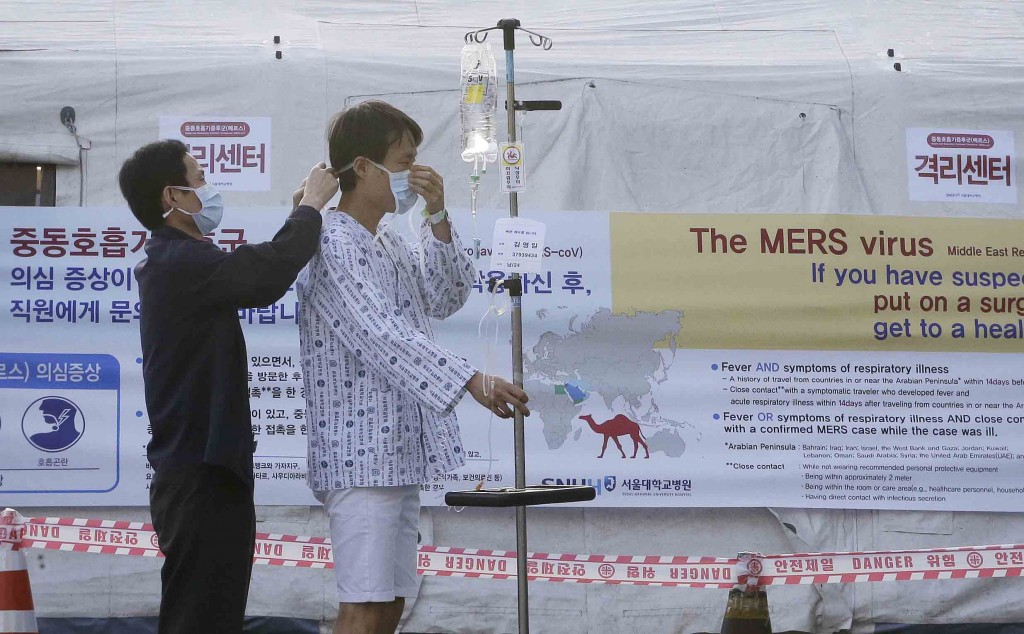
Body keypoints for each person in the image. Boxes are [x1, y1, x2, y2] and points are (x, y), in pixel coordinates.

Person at [297, 100, 530, 634]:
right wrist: (470, 379)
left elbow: (444, 297)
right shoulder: (330, 241)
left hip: (396, 452)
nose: (415, 174)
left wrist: (438, 216)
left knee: (392, 602)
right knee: (364, 605)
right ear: (362, 167)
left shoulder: (388, 240)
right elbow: (378, 332)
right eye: (403, 163)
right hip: (359, 455)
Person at [119, 139, 339, 634]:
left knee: (213, 609)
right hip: (201, 471)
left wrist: (299, 214)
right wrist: (309, 208)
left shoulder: (182, 260)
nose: (209, 189)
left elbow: (259, 265)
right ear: (172, 198)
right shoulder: (179, 263)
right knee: (201, 615)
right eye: (198, 180)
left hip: (206, 466)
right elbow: (263, 274)